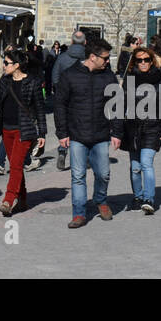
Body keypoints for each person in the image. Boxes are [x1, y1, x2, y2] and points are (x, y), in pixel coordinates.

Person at [54, 36, 123, 227]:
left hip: (101, 135)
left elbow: (116, 106)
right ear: (93, 57)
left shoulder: (108, 77)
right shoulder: (69, 75)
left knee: (103, 174)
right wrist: (62, 133)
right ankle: (79, 213)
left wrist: (117, 133)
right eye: (105, 58)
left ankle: (100, 200)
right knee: (78, 176)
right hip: (77, 135)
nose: (108, 61)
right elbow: (60, 105)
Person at [0, 47, 47, 217]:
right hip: (6, 130)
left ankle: (8, 200)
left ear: (17, 65)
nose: (4, 65)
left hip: (23, 131)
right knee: (16, 166)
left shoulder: (32, 82)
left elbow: (40, 109)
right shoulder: (4, 81)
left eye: (6, 63)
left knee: (16, 165)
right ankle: (23, 199)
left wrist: (42, 133)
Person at [118, 46, 161, 213]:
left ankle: (149, 199)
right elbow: (122, 105)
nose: (143, 63)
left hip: (152, 127)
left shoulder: (159, 78)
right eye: (139, 60)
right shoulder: (130, 79)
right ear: (135, 61)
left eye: (146, 60)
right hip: (133, 128)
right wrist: (117, 130)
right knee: (135, 167)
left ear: (151, 61)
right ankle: (137, 196)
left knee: (146, 163)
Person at [51, 29, 87, 171]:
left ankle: (62, 150)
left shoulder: (62, 58)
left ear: (71, 41)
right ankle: (83, 155)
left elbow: (55, 77)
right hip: (82, 98)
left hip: (65, 98)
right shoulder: (88, 58)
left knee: (65, 126)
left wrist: (59, 91)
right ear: (85, 42)